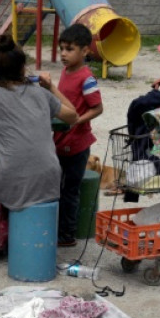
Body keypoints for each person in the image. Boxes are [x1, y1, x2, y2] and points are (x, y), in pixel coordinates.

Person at [0, 34, 78, 212]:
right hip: (50, 180)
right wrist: (50, 86)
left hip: (12, 184)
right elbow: (73, 116)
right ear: (23, 69)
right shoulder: (40, 94)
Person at [53, 24, 103, 247]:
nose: (63, 54)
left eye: (69, 49)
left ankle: (67, 235)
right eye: (61, 48)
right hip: (60, 140)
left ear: (85, 51)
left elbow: (98, 108)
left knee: (70, 191)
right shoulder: (65, 72)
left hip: (77, 145)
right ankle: (56, 227)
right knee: (56, 187)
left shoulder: (87, 78)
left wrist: (77, 121)